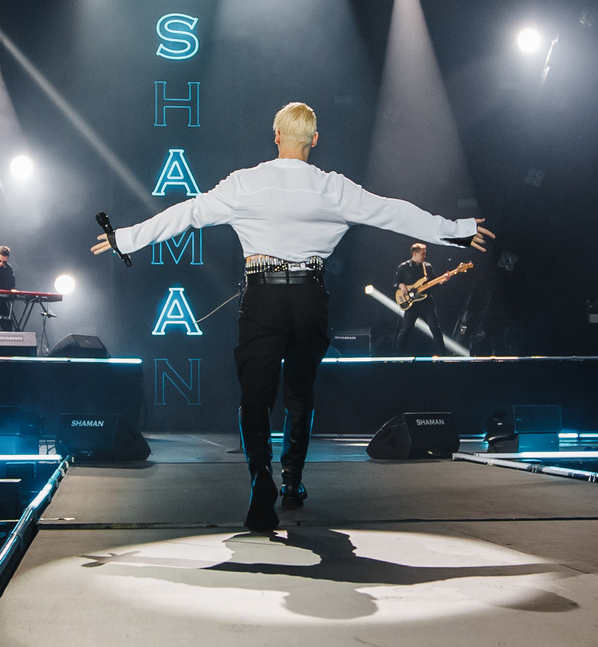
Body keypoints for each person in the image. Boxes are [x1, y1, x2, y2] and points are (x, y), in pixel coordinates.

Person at [94, 101, 490, 532]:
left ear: (276, 135)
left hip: (262, 297)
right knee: (299, 394)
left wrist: (126, 239)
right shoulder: (333, 188)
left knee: (255, 396)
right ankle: (292, 481)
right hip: (308, 298)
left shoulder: (246, 183)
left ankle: (260, 478)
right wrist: (457, 229)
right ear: (315, 141)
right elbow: (393, 211)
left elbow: (186, 214)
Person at [390, 242, 439, 353]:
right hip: (411, 304)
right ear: (415, 253)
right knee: (406, 330)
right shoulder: (403, 267)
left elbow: (434, 283)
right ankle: (397, 356)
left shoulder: (427, 267)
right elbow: (395, 282)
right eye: (423, 254)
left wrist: (442, 280)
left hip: (426, 302)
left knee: (435, 329)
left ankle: (443, 356)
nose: (424, 256)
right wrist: (401, 285)